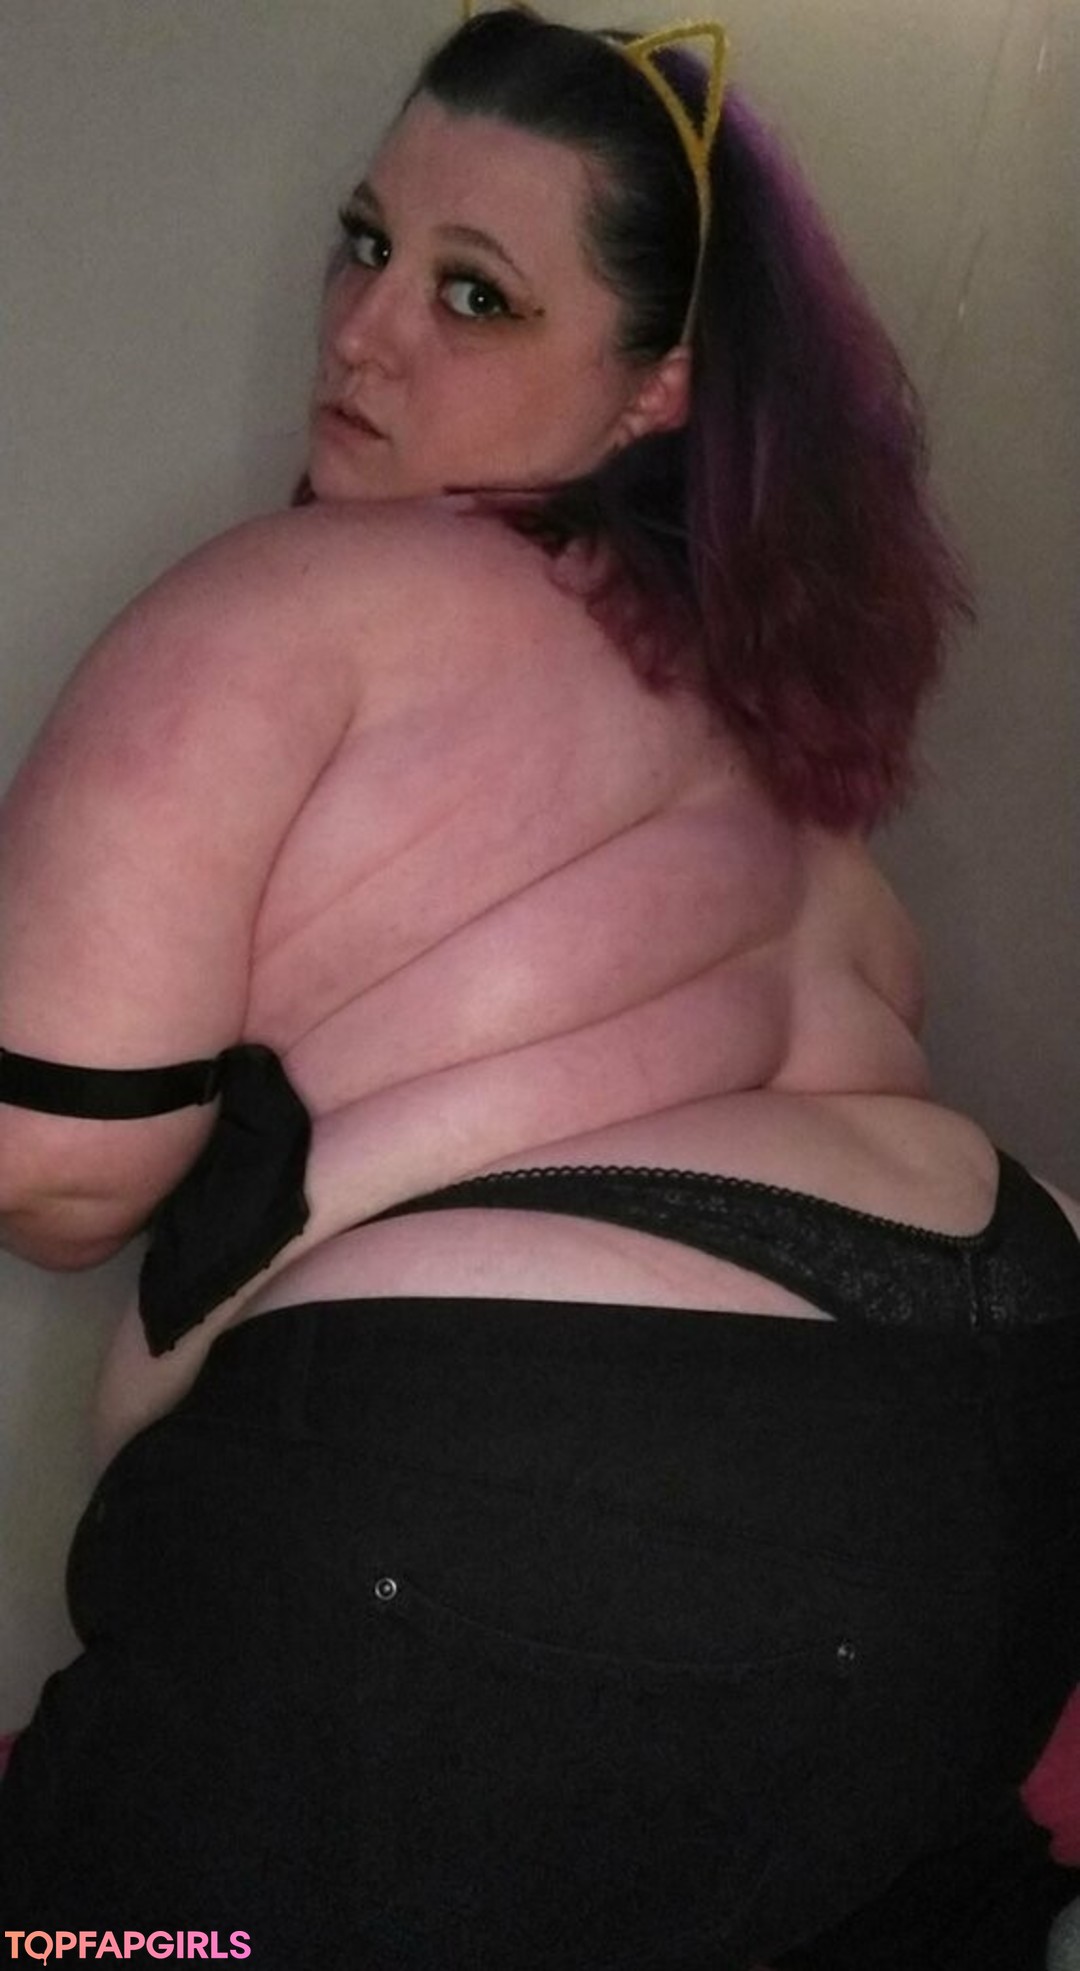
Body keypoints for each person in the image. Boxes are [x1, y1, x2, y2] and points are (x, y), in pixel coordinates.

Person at [0, 8, 1077, 1965]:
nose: (362, 329)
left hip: (515, 1496)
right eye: (365, 242)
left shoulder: (294, 594)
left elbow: (56, 1167)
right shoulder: (787, 750)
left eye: (473, 292)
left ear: (660, 386)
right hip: (1018, 1420)